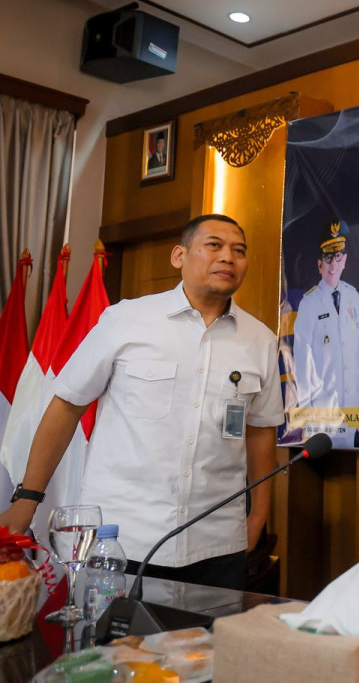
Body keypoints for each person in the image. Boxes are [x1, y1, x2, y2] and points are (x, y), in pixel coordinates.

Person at [0, 214, 283, 590]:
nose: (229, 257)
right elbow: (66, 405)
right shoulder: (125, 320)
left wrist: (258, 515)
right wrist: (28, 498)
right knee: (112, 650)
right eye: (214, 245)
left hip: (217, 545)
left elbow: (261, 432)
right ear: (179, 255)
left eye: (239, 251)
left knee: (204, 648)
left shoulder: (260, 340)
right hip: (121, 542)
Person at [292, 220, 359, 449]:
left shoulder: (353, 296)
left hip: (351, 409)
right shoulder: (310, 303)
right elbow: (302, 362)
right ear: (319, 264)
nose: (333, 265)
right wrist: (305, 412)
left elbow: (358, 353)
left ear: (345, 261)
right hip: (322, 411)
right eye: (328, 259)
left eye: (338, 258)